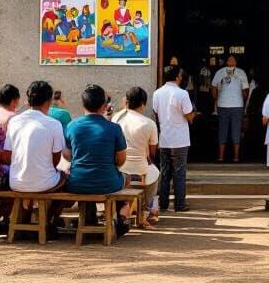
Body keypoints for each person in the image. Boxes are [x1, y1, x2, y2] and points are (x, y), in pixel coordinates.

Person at [64, 84, 132, 236]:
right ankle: (120, 217)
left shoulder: (72, 126)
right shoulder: (114, 128)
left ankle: (89, 219)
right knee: (126, 178)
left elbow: (66, 154)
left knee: (87, 180)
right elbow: (121, 160)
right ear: (104, 106)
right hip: (107, 183)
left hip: (77, 183)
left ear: (83, 104)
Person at [6, 79, 66, 195]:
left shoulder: (14, 121)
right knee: (65, 176)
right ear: (48, 102)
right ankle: (50, 208)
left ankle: (28, 205)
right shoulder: (54, 124)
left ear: (29, 100)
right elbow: (56, 160)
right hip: (45, 184)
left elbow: (8, 154)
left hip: (16, 184)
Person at [112, 86, 160, 226]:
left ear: (126, 101)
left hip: (119, 168)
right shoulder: (149, 123)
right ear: (143, 104)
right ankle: (145, 210)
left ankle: (126, 209)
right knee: (155, 173)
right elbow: (152, 153)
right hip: (140, 169)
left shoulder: (116, 118)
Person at [152, 65, 196, 212]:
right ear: (178, 77)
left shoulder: (157, 93)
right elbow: (189, 116)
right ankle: (179, 204)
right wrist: (194, 114)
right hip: (180, 139)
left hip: (164, 137)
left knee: (164, 172)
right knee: (179, 172)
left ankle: (163, 204)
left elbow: (156, 113)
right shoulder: (182, 93)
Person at [212, 54, 250, 163]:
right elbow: (213, 87)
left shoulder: (241, 72)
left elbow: (246, 90)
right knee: (222, 130)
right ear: (226, 62)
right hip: (222, 105)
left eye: (233, 59)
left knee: (236, 131)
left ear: (236, 62)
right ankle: (221, 157)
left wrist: (243, 98)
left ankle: (236, 157)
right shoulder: (220, 72)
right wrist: (216, 99)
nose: (231, 61)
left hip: (237, 105)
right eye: (229, 59)